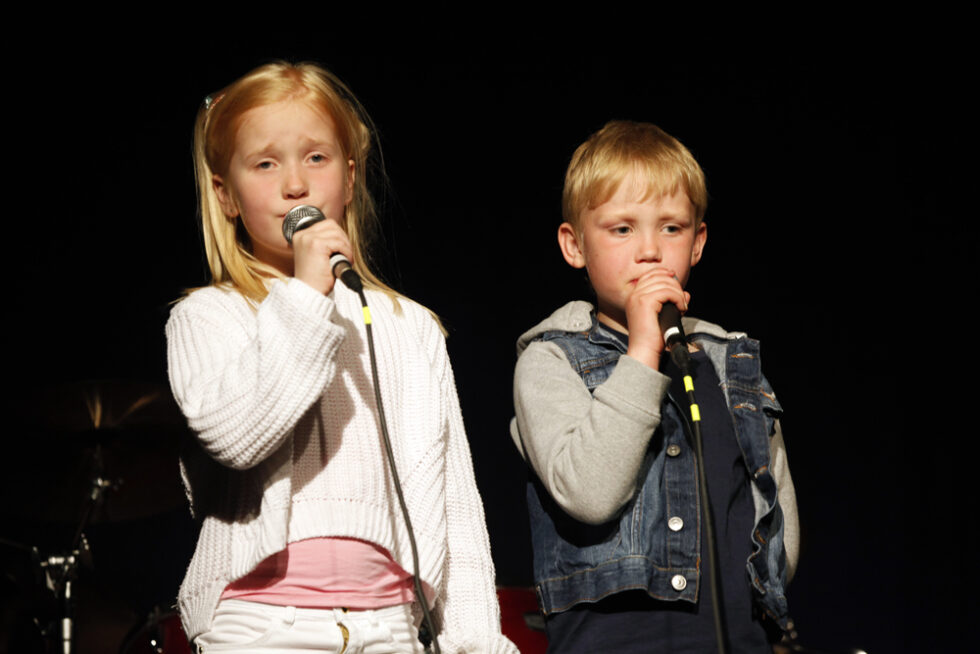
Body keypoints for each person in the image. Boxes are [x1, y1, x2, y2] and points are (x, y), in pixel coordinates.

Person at [166, 61, 516, 654]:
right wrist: (307, 295)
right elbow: (235, 435)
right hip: (261, 626)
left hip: (392, 628)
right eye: (265, 163)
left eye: (316, 157)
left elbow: (454, 505)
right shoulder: (208, 317)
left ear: (350, 179)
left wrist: (478, 640)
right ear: (225, 194)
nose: (295, 184)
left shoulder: (412, 327)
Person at [510, 120, 800, 653]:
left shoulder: (733, 363)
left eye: (671, 228)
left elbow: (776, 524)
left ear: (698, 242)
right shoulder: (551, 359)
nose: (650, 250)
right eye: (622, 229)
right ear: (574, 245)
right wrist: (643, 352)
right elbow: (589, 495)